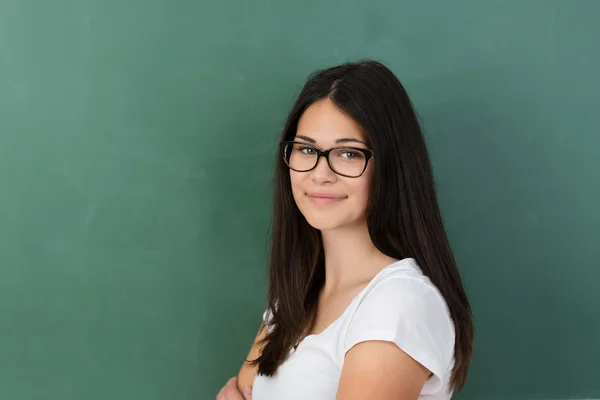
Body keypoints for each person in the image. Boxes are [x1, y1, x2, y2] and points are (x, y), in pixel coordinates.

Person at [216, 60, 473, 400]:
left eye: (348, 153)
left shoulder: (398, 305)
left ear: (391, 167)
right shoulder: (292, 301)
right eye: (307, 149)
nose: (320, 173)